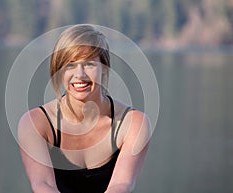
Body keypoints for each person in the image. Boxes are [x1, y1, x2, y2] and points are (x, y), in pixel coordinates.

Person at [18, 24, 151, 193]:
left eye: (89, 64)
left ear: (104, 68)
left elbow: (121, 185)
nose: (80, 75)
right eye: (70, 65)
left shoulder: (133, 123)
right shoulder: (36, 123)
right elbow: (43, 186)